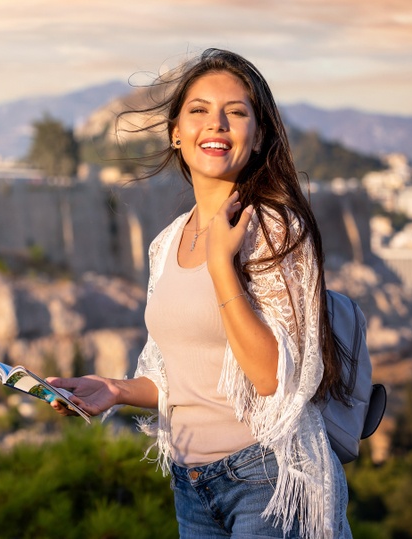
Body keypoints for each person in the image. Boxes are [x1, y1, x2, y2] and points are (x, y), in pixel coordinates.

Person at [48, 48, 352, 538]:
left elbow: (273, 379)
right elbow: (177, 377)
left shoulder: (274, 229)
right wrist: (115, 390)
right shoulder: (167, 242)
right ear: (175, 133)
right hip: (192, 487)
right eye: (199, 111)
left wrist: (221, 266)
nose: (216, 124)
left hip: (267, 479)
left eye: (235, 113)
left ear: (257, 139)